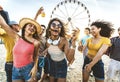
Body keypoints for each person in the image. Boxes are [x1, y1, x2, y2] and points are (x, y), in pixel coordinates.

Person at [0, 15, 41, 82]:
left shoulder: (36, 42)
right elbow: (4, 24)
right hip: (15, 69)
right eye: (30, 25)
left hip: (29, 69)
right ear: (24, 28)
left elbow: (36, 56)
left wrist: (35, 68)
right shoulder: (17, 38)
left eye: (34, 27)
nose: (32, 27)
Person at [44, 18, 76, 82]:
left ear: (60, 30)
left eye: (59, 26)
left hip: (62, 65)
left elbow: (69, 59)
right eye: (53, 25)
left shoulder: (64, 41)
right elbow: (48, 55)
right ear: (49, 29)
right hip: (52, 65)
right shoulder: (47, 41)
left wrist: (73, 44)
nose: (56, 27)